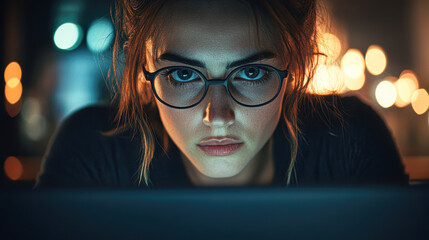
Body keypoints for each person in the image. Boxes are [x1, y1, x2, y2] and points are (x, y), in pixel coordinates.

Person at [35, 0, 408, 188]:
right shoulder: (94, 153)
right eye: (182, 74)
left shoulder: (348, 144)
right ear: (146, 71)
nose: (217, 115)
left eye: (250, 72)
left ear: (293, 70)